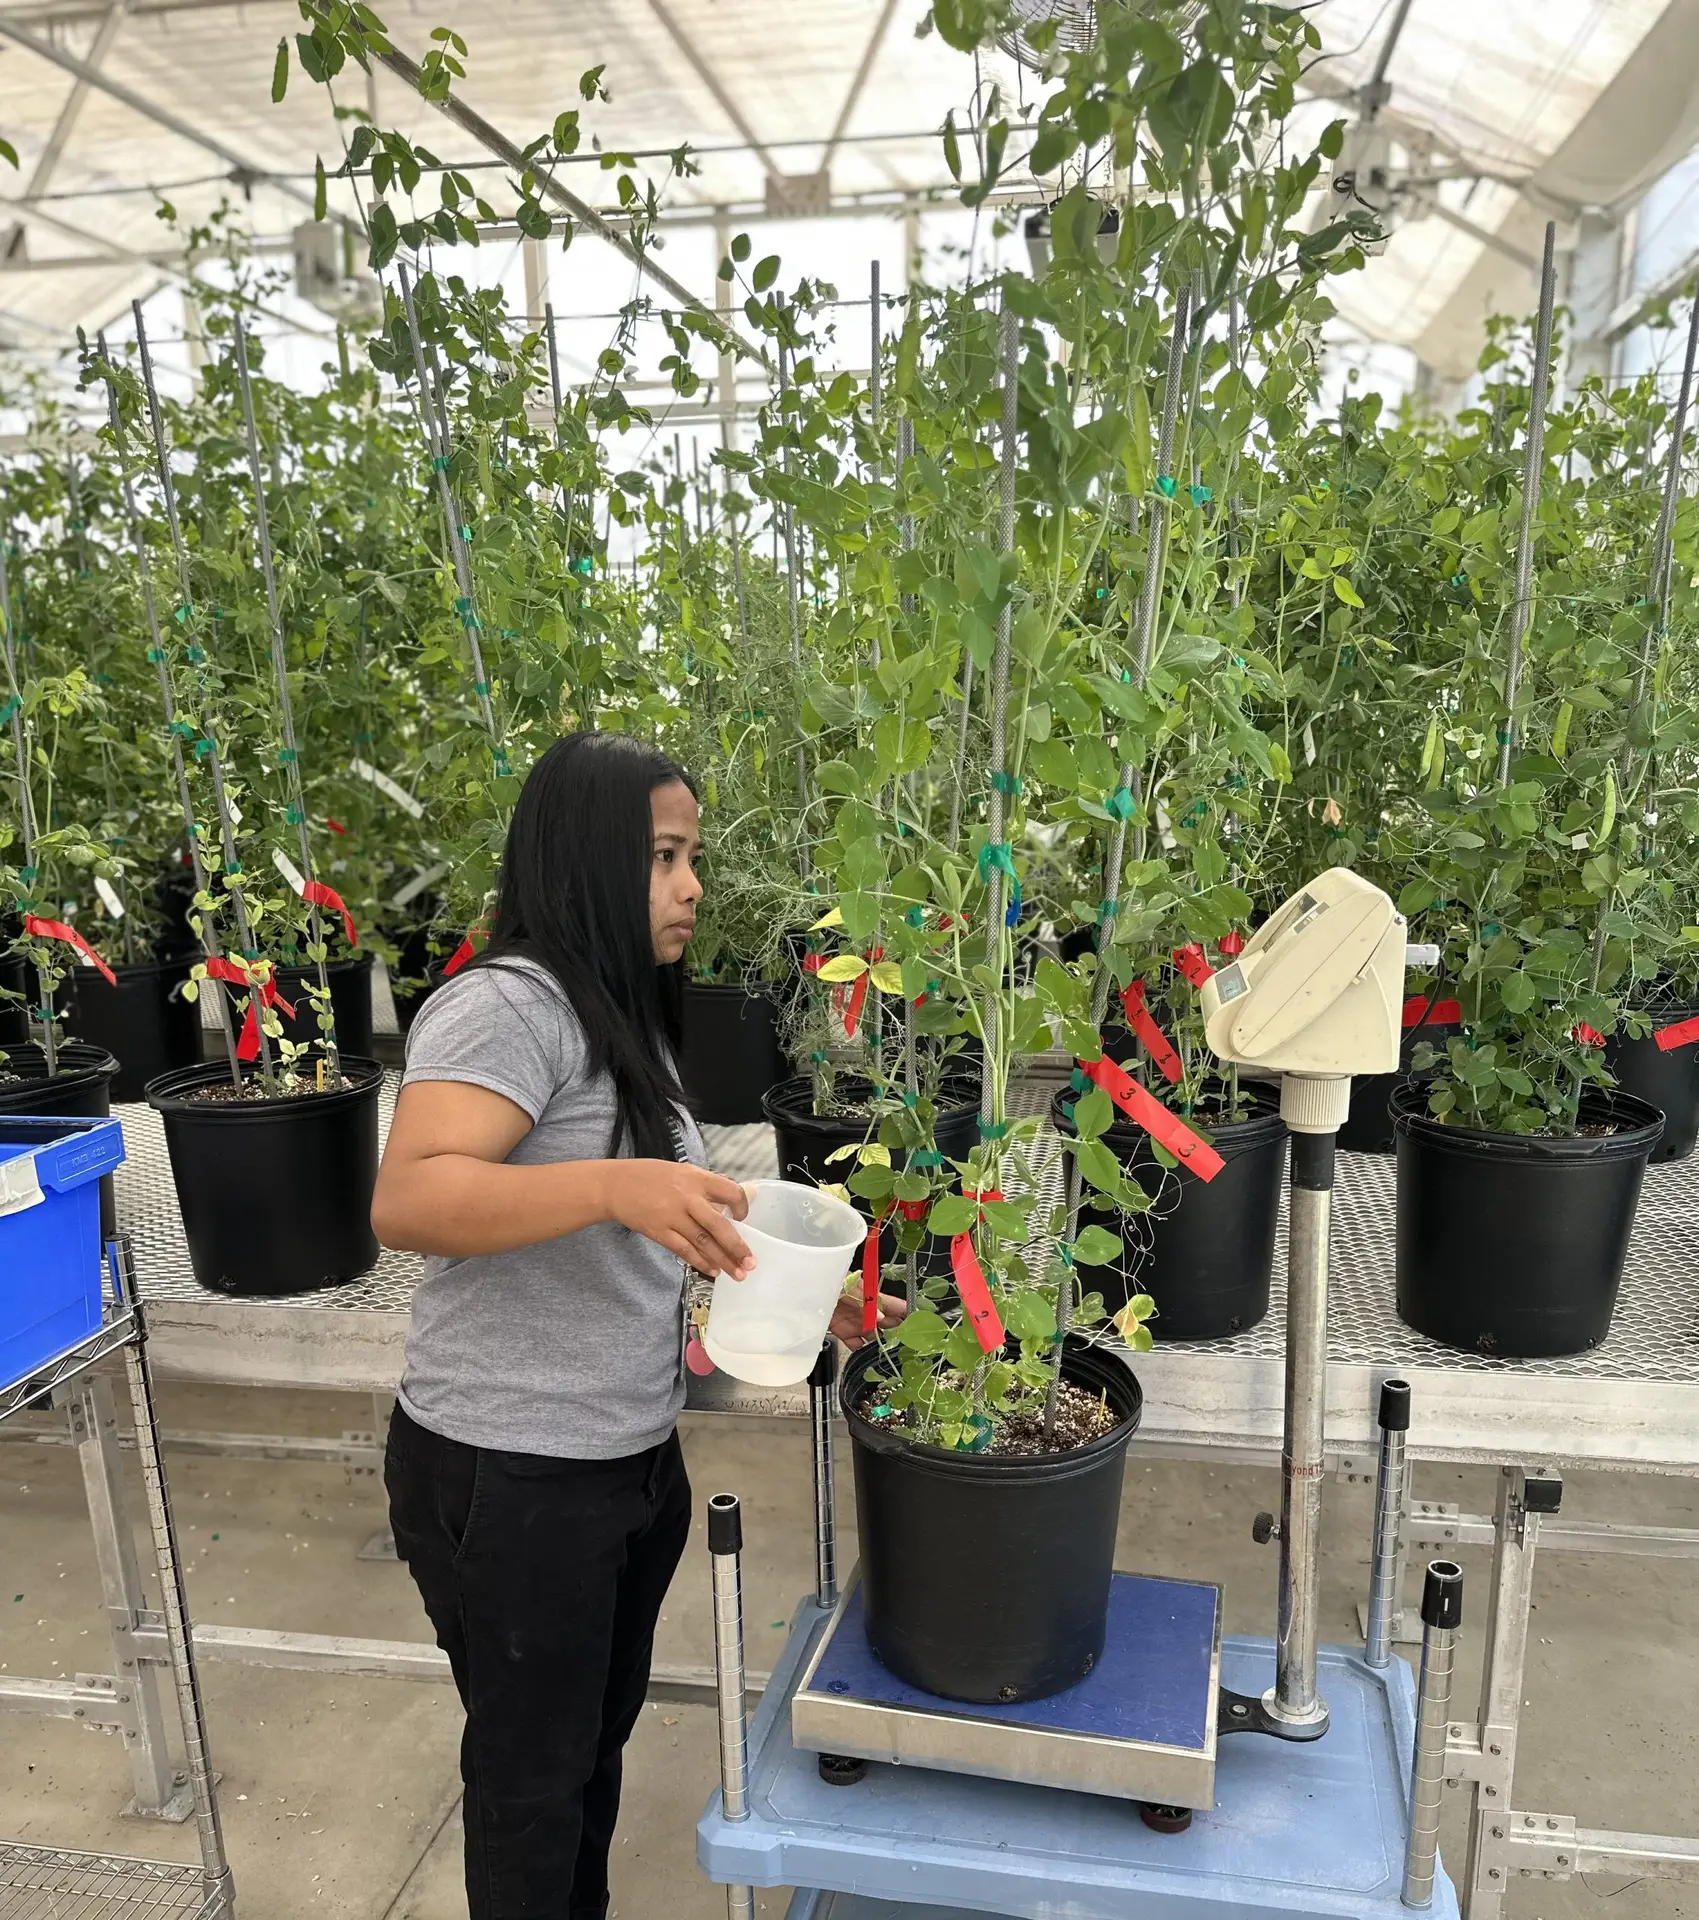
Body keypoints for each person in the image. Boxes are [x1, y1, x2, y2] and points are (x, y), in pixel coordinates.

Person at [372, 730, 902, 1919]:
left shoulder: (628, 1021)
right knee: (530, 1786)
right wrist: (620, 1186)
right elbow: (409, 1197)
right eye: (665, 856)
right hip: (510, 1476)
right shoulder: (508, 1005)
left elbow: (636, 1243)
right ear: (583, 861)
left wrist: (810, 1301)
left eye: (693, 856)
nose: (693, 885)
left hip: (620, 1459)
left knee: (583, 1762)